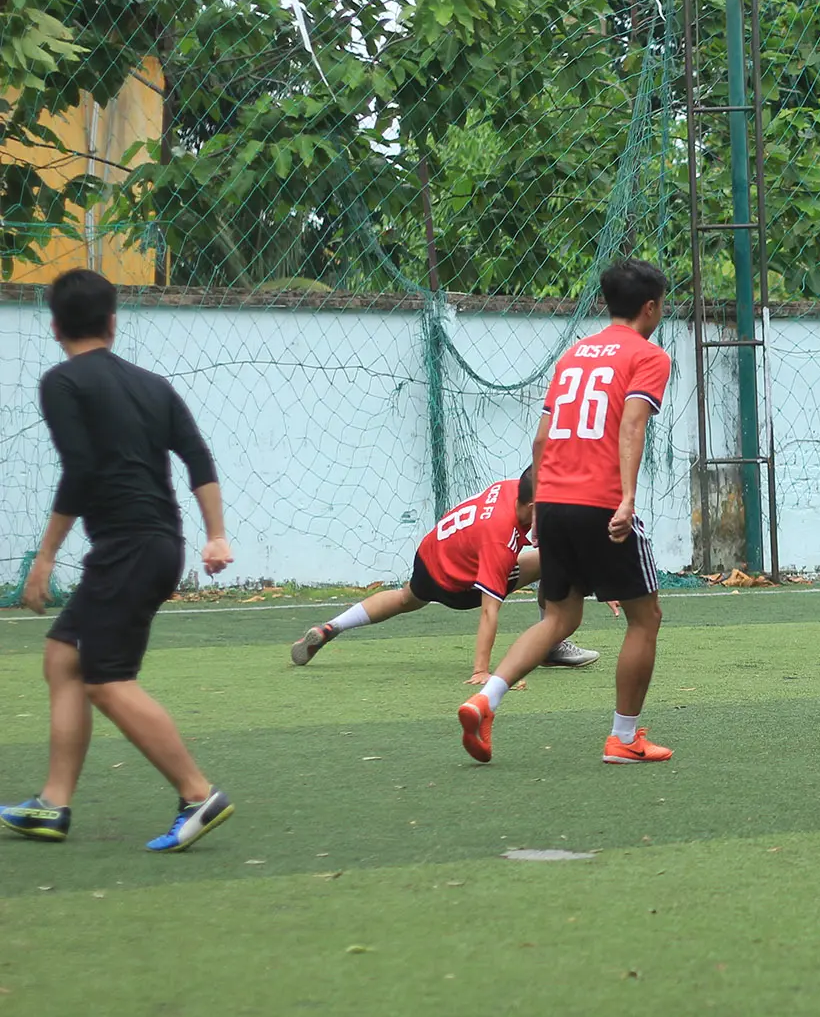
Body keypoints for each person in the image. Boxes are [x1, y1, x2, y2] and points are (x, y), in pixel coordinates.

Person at [1, 270, 236, 852]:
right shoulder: (154, 385)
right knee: (64, 657)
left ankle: (196, 792)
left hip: (129, 547)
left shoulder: (62, 383)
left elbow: (79, 470)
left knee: (107, 680)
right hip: (157, 544)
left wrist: (44, 557)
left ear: (55, 327)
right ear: (112, 322)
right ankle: (53, 805)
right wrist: (217, 535)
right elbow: (198, 455)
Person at [456, 258, 675, 765]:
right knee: (646, 619)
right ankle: (623, 738)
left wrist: (538, 506)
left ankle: (484, 700)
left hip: (551, 499)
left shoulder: (574, 355)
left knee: (559, 616)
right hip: (600, 503)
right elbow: (631, 427)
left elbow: (541, 437)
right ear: (651, 307)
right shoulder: (648, 356)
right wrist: (626, 499)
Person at [287, 470, 602, 681]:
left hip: (432, 553)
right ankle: (552, 644)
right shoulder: (499, 539)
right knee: (553, 560)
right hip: (459, 585)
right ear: (533, 505)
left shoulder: (510, 489)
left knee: (404, 597)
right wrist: (481, 670)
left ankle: (332, 627)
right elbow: (489, 610)